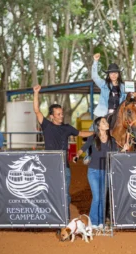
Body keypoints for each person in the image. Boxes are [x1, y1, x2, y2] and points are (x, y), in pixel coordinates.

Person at [32, 85, 92, 219]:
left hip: (65, 168)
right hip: (49, 168)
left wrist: (97, 132)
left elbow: (82, 133)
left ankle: (65, 220)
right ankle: (52, 219)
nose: (61, 116)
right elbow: (36, 110)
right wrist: (36, 93)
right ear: (51, 116)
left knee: (65, 194)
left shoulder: (67, 128)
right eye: (58, 114)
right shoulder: (46, 125)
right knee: (51, 194)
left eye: (62, 113)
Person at [73, 117, 122, 229]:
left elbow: (115, 154)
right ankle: (93, 222)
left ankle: (101, 222)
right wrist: (77, 155)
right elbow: (83, 148)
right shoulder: (93, 138)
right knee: (96, 197)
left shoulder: (112, 140)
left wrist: (124, 149)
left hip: (105, 172)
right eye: (104, 122)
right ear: (99, 126)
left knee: (103, 198)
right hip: (93, 171)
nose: (106, 123)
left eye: (106, 122)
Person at [91, 53, 127, 118]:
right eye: (111, 73)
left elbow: (127, 99)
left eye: (115, 73)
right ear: (108, 75)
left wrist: (133, 95)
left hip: (119, 114)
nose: (113, 75)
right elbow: (94, 77)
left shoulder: (123, 87)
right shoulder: (104, 84)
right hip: (103, 113)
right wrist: (95, 61)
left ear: (118, 74)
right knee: (96, 126)